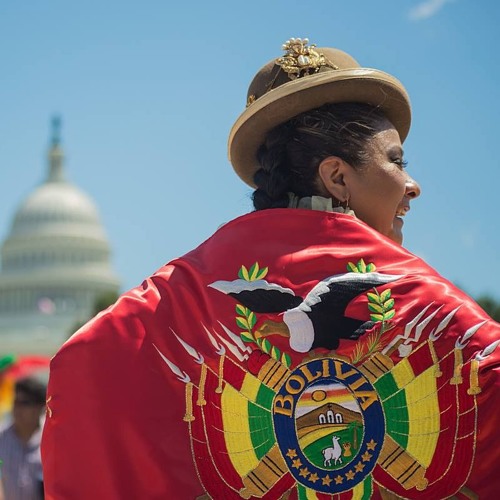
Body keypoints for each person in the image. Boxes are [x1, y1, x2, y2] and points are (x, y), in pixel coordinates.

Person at [42, 38, 499, 499]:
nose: (411, 185)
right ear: (337, 176)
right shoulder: (425, 301)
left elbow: (84, 368)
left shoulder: (182, 294)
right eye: (396, 161)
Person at [0, 377, 45, 500]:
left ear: (40, 407)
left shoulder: (50, 442)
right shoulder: (2, 438)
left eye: (24, 403)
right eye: (15, 402)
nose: (17, 408)